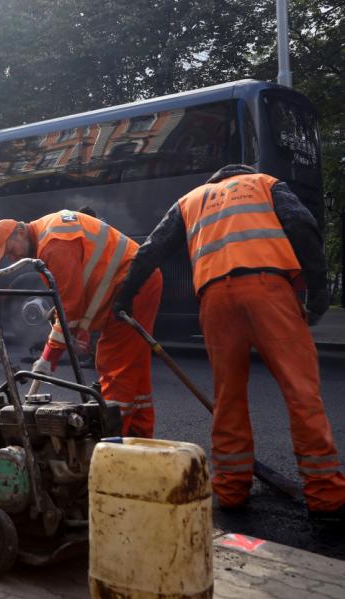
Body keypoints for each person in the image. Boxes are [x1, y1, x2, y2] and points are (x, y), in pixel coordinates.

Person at [113, 164, 345, 521]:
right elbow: (302, 225)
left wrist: (126, 295)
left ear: (214, 181)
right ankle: (326, 495)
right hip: (270, 289)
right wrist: (318, 292)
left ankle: (232, 488)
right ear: (242, 174)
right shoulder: (265, 184)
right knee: (301, 393)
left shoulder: (191, 200)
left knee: (228, 397)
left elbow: (151, 250)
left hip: (215, 299)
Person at [0, 210, 163, 437]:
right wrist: (81, 329)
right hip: (132, 282)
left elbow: (70, 306)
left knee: (115, 366)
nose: (13, 259)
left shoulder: (54, 244)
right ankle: (139, 440)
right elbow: (80, 290)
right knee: (134, 368)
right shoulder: (46, 234)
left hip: (132, 286)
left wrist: (47, 358)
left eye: (11, 250)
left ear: (20, 232)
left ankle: (110, 443)